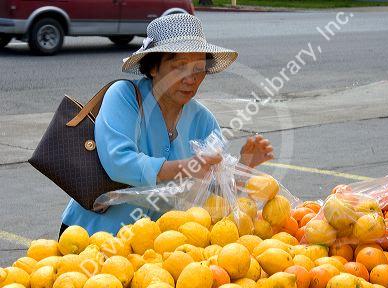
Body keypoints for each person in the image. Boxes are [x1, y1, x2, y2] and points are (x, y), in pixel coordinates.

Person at [60, 13, 274, 236]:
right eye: (179, 67)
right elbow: (119, 163)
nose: (190, 79)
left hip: (159, 245)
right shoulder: (125, 97)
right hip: (92, 234)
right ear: (153, 67)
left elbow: (214, 192)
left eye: (198, 69)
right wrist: (187, 167)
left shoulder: (203, 120)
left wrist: (245, 167)